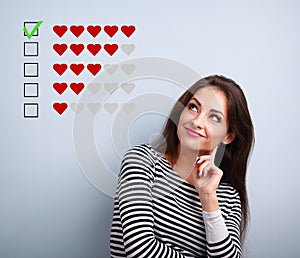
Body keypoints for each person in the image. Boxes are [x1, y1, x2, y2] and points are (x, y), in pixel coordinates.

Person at [110, 75, 254, 257]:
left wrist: (208, 197)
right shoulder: (142, 161)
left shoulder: (228, 197)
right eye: (193, 107)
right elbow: (140, 249)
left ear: (228, 136)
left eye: (214, 118)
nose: (197, 122)